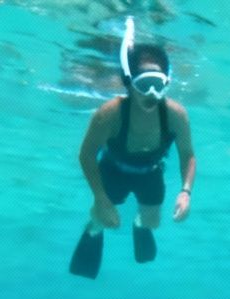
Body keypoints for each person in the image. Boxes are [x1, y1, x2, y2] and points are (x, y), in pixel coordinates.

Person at [69, 20, 196, 278]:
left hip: (150, 171)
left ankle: (139, 223)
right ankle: (93, 229)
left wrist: (185, 192)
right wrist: (101, 200)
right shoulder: (110, 114)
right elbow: (86, 155)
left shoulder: (175, 115)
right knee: (103, 218)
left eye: (158, 84)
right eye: (143, 84)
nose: (151, 93)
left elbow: (188, 155)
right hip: (113, 169)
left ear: (167, 83)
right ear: (129, 83)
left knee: (153, 222)